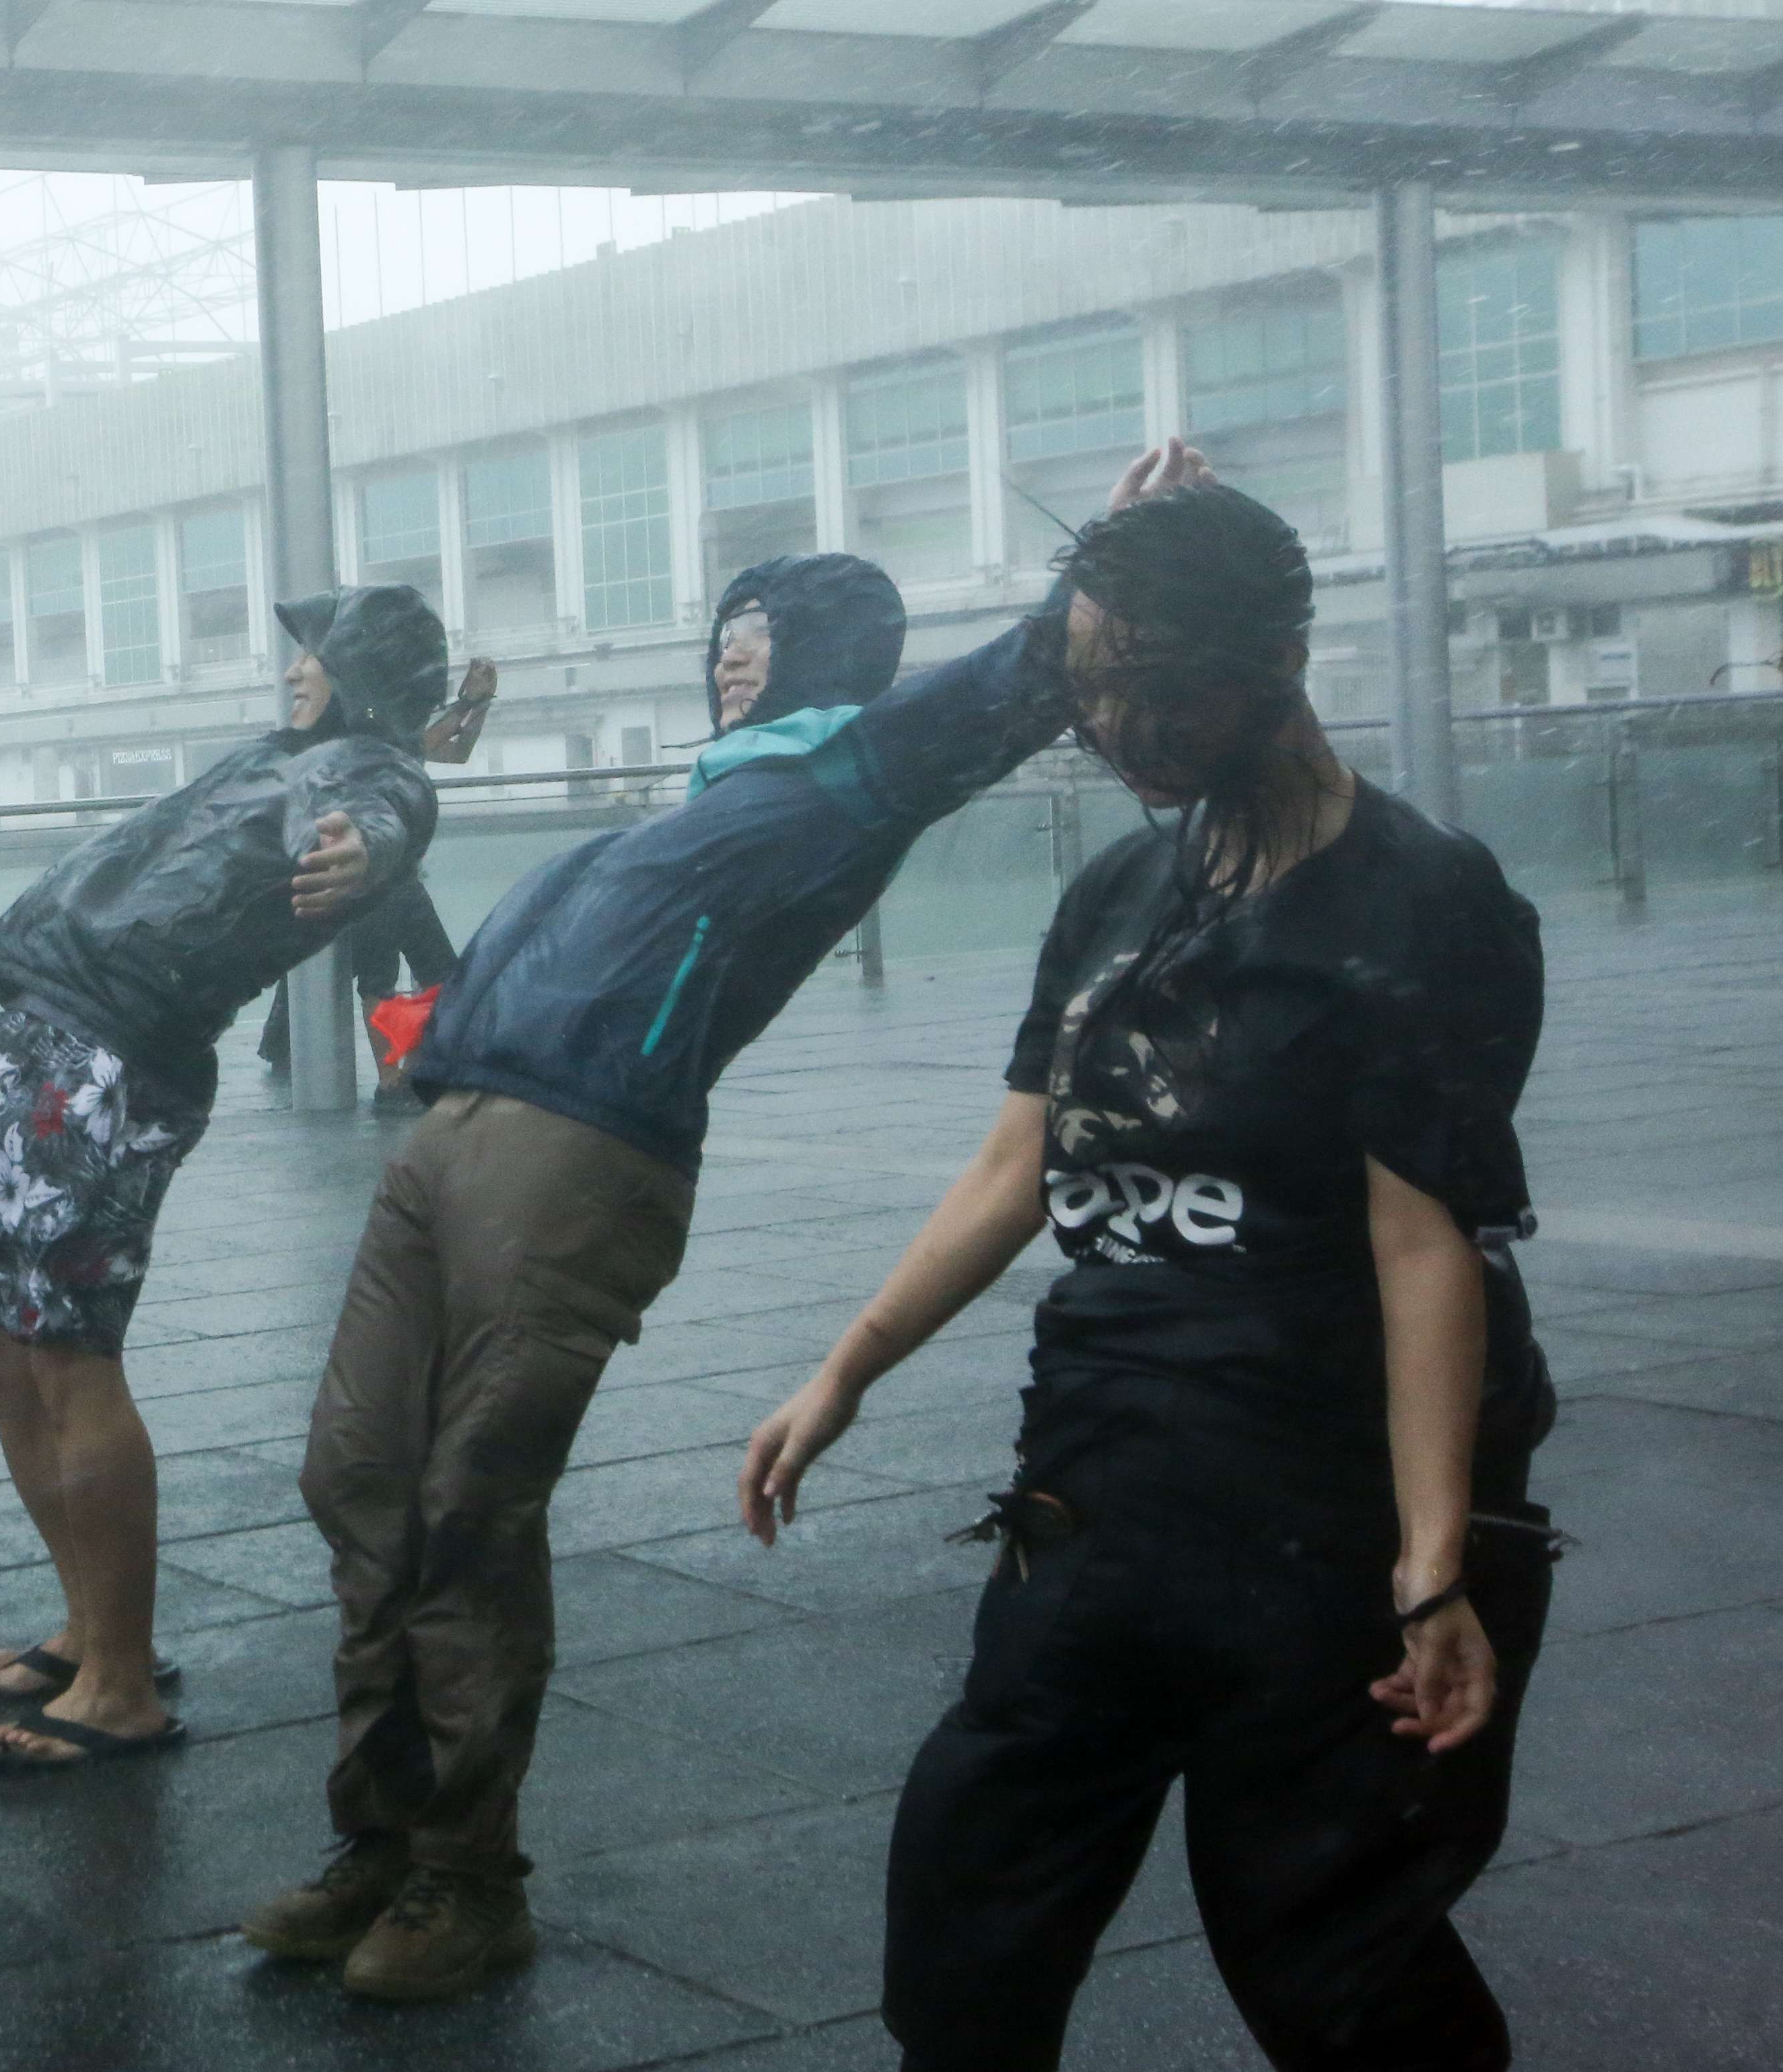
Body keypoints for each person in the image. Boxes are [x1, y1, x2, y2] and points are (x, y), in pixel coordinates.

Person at [243, 446, 1209, 2003]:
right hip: (452, 1131)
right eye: (727, 617)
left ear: (832, 653)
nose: (729, 638)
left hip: (578, 1155)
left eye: (766, 619)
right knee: (354, 1475)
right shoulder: (712, 796)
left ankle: (461, 1874)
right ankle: (381, 1833)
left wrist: (1120, 545)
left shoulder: (851, 773)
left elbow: (1022, 682)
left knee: (471, 1497)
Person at [738, 474, 1562, 2072]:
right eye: (1085, 682)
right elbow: (1012, 1169)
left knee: (1329, 1943)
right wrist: (842, 1368)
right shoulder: (1122, 890)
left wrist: (1434, 1565)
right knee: (970, 1889)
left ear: (1264, 662)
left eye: (1140, 683)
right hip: (1105, 1481)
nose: (1107, 724)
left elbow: (1420, 1242)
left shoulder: (1417, 900)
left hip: (1324, 1496)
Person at [0, 587, 468, 1768]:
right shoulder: (301, 751)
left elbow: (388, 807)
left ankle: (120, 1683)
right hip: (30, 1034)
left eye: (314, 654)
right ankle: (87, 1623)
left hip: (105, 1058)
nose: (293, 670)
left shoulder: (365, 776)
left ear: (358, 673)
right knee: (3, 1344)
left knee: (66, 1357)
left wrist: (365, 844)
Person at [254, 673, 496, 1106]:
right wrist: (471, 702)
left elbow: (455, 751)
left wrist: (479, 705)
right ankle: (395, 1081)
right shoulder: (363, 735)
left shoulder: (377, 731)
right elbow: (425, 744)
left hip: (390, 869)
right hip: (370, 868)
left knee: (425, 972)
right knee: (389, 975)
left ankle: (410, 1072)